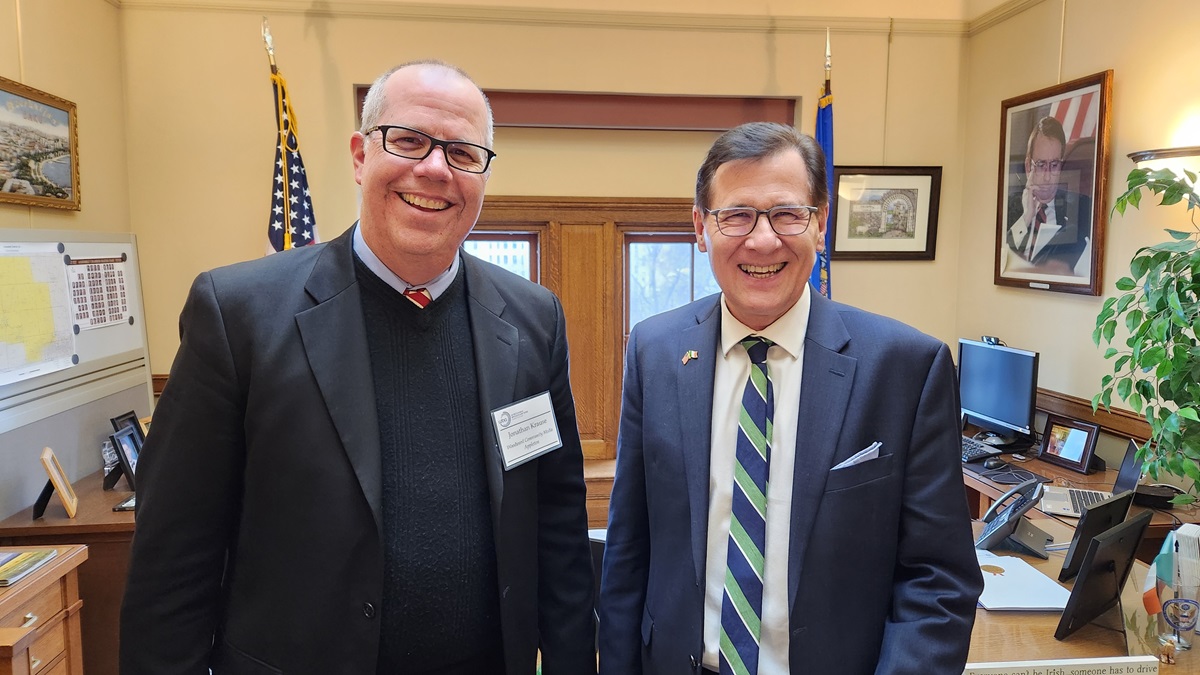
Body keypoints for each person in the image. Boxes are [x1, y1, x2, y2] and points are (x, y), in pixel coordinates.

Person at [119, 60, 597, 675]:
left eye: (463, 152)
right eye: (408, 140)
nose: (434, 169)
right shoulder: (238, 315)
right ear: (358, 155)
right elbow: (174, 560)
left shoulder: (533, 319)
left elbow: (555, 525)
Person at [598, 122, 983, 675]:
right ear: (701, 227)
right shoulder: (654, 351)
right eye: (736, 214)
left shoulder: (906, 366)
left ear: (820, 225)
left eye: (787, 214)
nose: (761, 240)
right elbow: (628, 551)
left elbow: (938, 580)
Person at [1004, 115, 1092, 276]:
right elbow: (1001, 258)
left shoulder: (1083, 209)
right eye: (1041, 165)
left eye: (1054, 165)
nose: (1047, 176)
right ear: (1028, 166)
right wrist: (1027, 217)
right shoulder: (1009, 206)